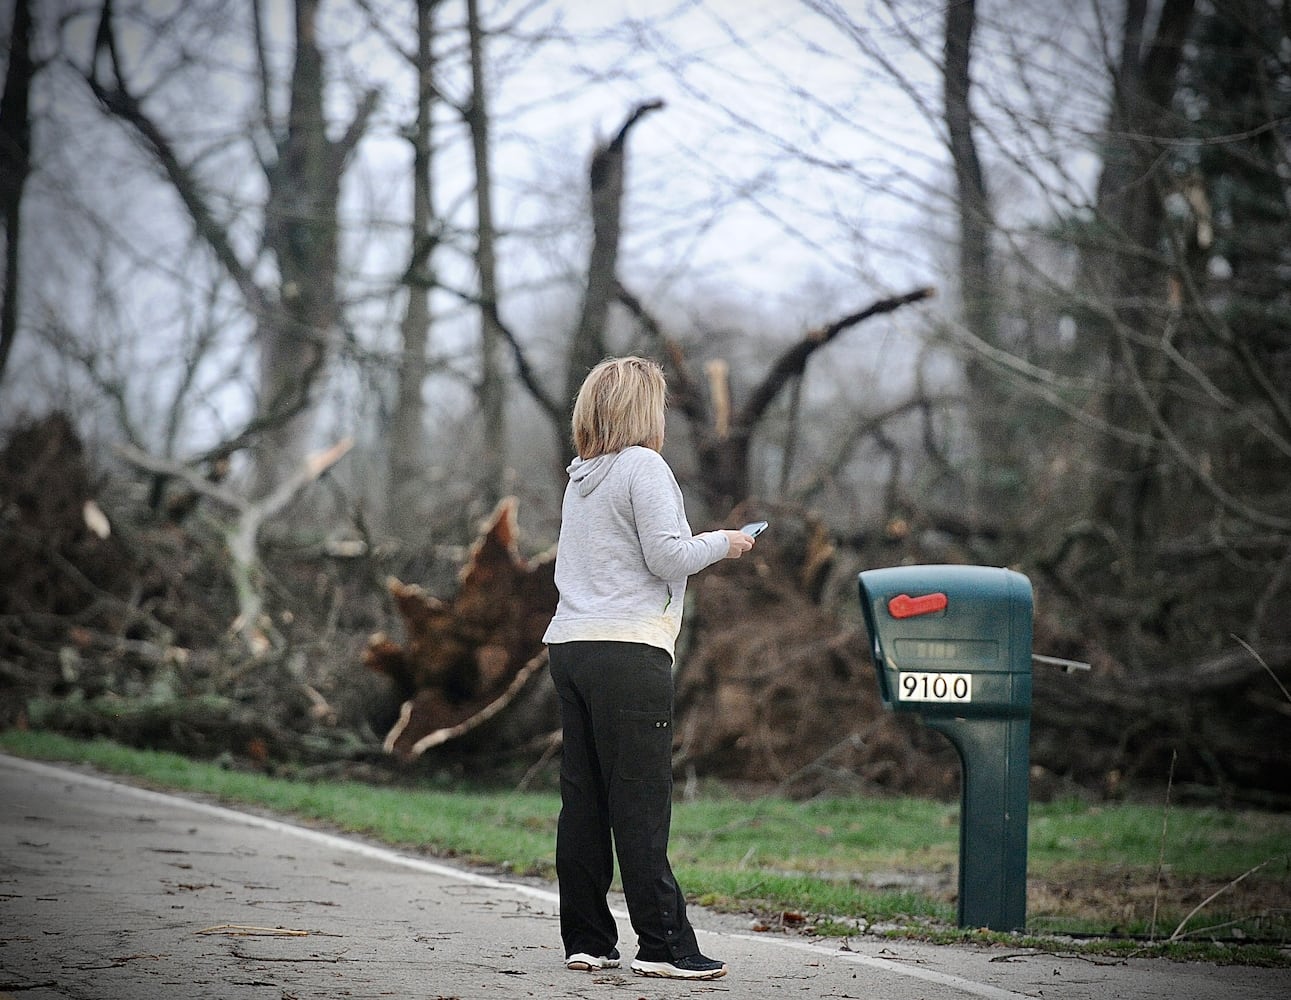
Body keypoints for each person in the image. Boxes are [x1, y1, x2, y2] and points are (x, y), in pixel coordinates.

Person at [542, 356, 755, 981]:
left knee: (584, 800)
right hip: (628, 650)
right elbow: (667, 557)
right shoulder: (644, 466)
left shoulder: (582, 476)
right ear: (643, 411)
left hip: (571, 647)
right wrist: (725, 542)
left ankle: (587, 939)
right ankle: (664, 945)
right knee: (638, 800)